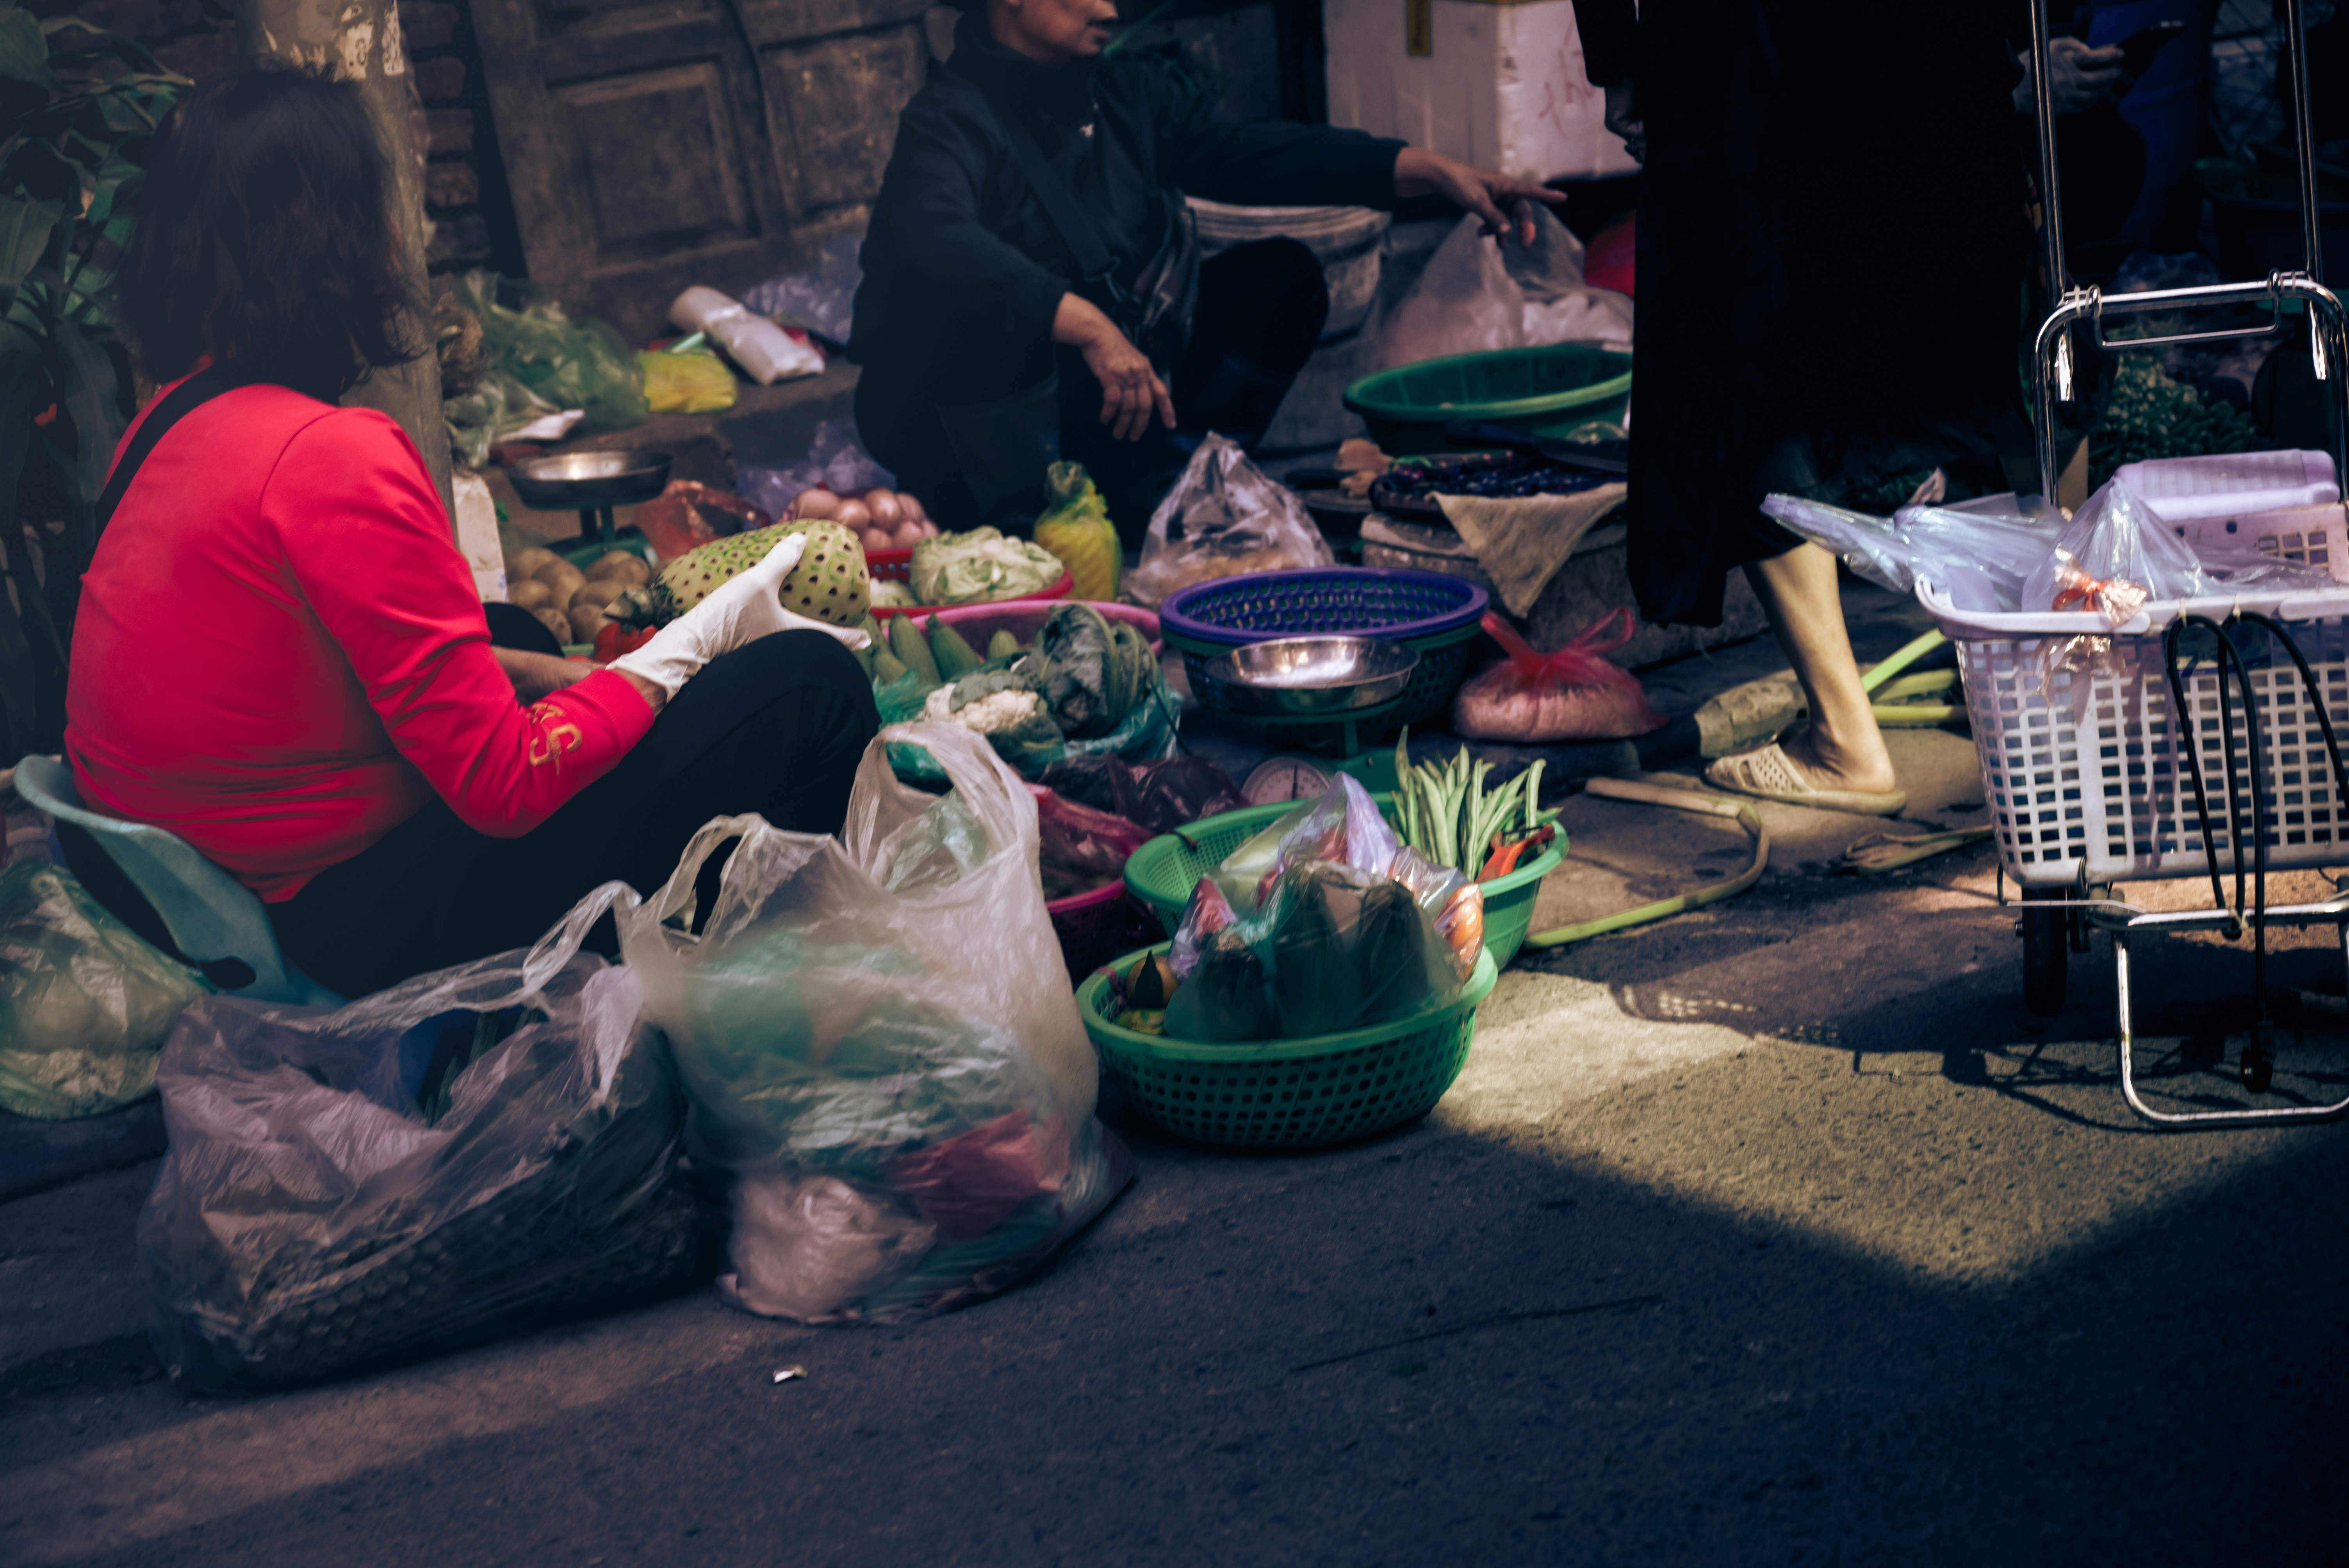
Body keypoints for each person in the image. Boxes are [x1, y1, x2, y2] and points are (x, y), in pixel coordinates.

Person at [64, 69, 880, 999]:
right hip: (342, 922)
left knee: (516, 636)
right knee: (807, 686)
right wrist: (692, 648)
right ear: (329, 242)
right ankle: (760, 1008)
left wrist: (578, 679)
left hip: (223, 870)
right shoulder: (331, 457)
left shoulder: (166, 425)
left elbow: (313, 664)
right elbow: (507, 784)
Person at [851, 0, 1563, 540]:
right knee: (995, 305)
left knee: (1282, 280)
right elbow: (933, 236)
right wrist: (1087, 324)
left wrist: (1431, 172)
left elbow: (1262, 153)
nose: (1110, 7)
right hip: (993, 429)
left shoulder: (1127, 96)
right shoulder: (946, 121)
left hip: (1118, 402)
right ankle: (1026, 527)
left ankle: (1168, 492)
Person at [1575, 3, 2041, 815]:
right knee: (1963, 342)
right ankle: (2032, 703)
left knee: (1749, 365)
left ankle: (1844, 738)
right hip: (1925, 42)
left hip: (1750, 55)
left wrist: (1621, 60)